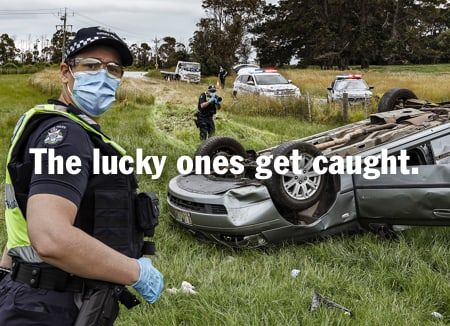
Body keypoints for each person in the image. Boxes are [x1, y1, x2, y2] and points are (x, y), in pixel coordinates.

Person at [0, 26, 163, 325]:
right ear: (66, 72)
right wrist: (135, 272)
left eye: (113, 69)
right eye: (91, 65)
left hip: (29, 293)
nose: (103, 76)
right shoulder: (66, 137)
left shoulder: (47, 123)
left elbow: (21, 217)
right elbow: (50, 237)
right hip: (50, 304)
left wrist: (7, 271)